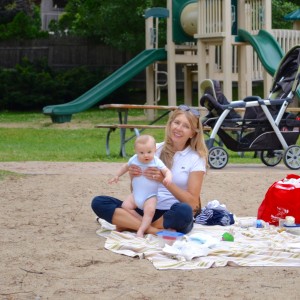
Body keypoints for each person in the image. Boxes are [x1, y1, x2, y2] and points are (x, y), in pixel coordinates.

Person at [91, 104, 208, 235]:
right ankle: (152, 230)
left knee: (184, 211)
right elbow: (137, 192)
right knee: (99, 202)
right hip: (145, 208)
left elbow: (193, 204)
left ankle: (132, 224)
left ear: (192, 133)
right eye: (177, 123)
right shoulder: (152, 150)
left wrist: (164, 180)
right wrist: (133, 177)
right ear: (170, 125)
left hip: (170, 214)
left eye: (186, 126)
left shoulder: (196, 158)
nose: (179, 128)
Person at [108, 134, 172, 237]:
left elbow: (166, 171)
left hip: (150, 196)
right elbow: (125, 167)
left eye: (149, 152)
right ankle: (144, 223)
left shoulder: (156, 161)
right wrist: (117, 175)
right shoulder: (134, 159)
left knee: (150, 211)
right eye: (141, 153)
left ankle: (141, 230)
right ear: (135, 151)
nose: (146, 155)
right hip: (135, 194)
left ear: (155, 149)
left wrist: (168, 177)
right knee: (125, 206)